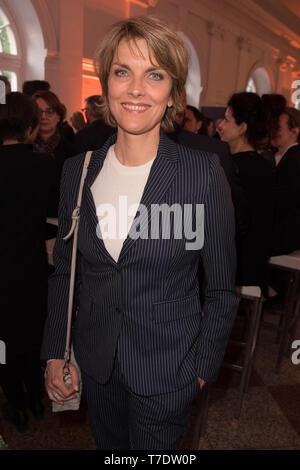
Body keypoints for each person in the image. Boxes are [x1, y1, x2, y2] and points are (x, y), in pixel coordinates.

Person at [41, 16, 239, 450]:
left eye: (154, 75)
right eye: (122, 72)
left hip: (170, 372)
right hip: (97, 365)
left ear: (172, 93)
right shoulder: (79, 170)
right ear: (106, 85)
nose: (135, 89)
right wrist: (57, 349)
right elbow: (64, 272)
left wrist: (201, 371)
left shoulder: (201, 174)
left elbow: (223, 289)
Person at [0, 92, 58, 432]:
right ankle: (36, 398)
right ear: (30, 127)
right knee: (32, 334)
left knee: (4, 340)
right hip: (33, 266)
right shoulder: (43, 164)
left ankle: (16, 404)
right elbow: (53, 217)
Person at [219, 92, 274, 295]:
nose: (220, 125)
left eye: (226, 120)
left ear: (242, 128)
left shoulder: (236, 167)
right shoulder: (262, 164)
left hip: (239, 264)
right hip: (255, 261)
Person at [270, 107, 300, 256]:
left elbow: (284, 201)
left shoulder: (294, 160)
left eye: (278, 127)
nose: (273, 131)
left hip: (284, 236)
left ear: (295, 132)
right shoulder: (279, 156)